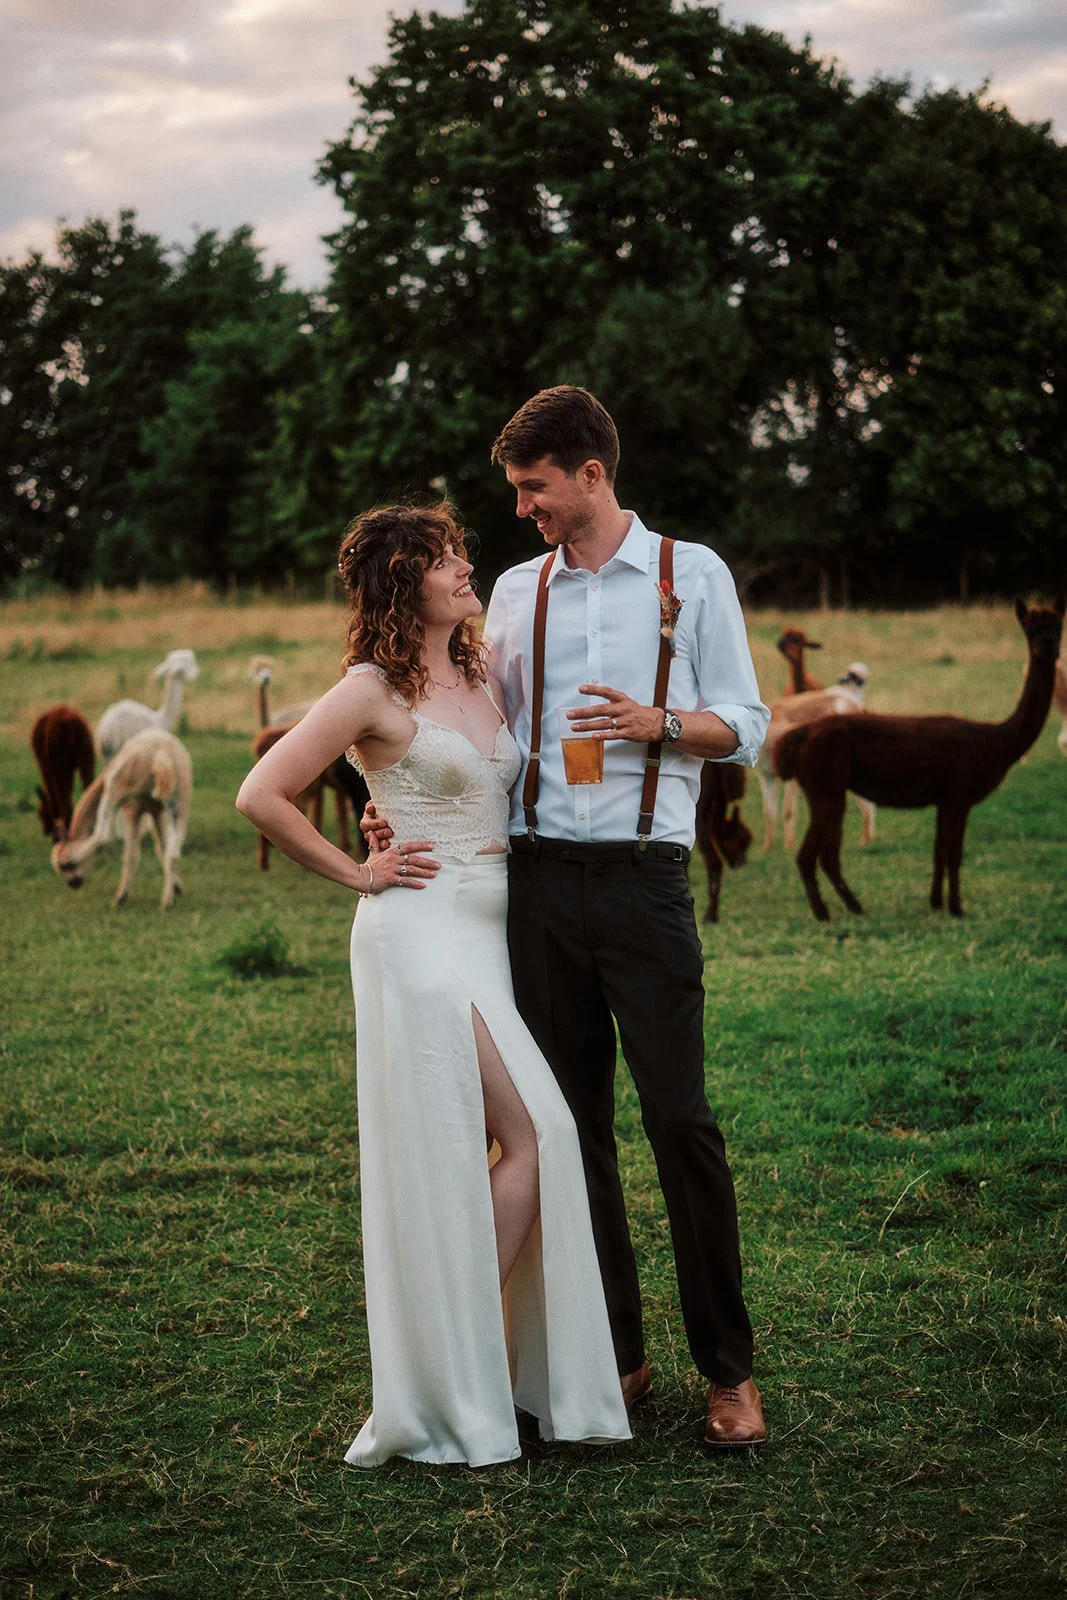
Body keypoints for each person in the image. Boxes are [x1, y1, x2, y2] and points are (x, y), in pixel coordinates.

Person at [371, 388, 771, 1447]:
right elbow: (458, 713)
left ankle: (726, 1371)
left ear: (590, 473)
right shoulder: (509, 593)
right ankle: (616, 1356)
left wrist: (660, 723)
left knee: (679, 1120)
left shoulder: (694, 577)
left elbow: (749, 723)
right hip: (536, 887)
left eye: (532, 486)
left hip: (644, 878)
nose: (522, 508)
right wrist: (393, 792)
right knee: (570, 1127)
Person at [235, 501, 631, 1468]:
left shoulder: (481, 665)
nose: (464, 567)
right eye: (442, 559)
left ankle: (486, 1370)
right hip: (417, 931)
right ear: (398, 584)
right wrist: (359, 866)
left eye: (460, 553)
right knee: (536, 1132)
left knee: (521, 1138)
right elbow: (261, 793)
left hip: (491, 931)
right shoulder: (368, 688)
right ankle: (452, 1376)